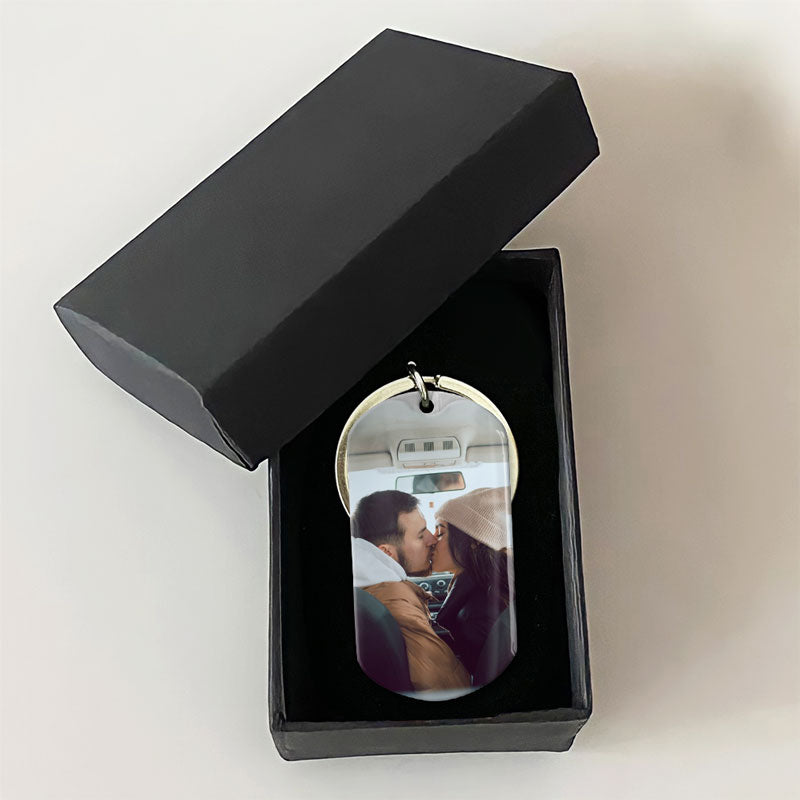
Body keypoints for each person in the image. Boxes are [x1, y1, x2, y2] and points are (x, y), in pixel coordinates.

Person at [351, 490, 470, 693]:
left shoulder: (377, 587)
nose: (433, 539)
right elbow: (442, 685)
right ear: (386, 552)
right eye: (421, 535)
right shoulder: (397, 604)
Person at [432, 487, 516, 682]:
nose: (432, 540)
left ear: (472, 541)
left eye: (440, 533)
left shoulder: (475, 615)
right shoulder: (487, 587)